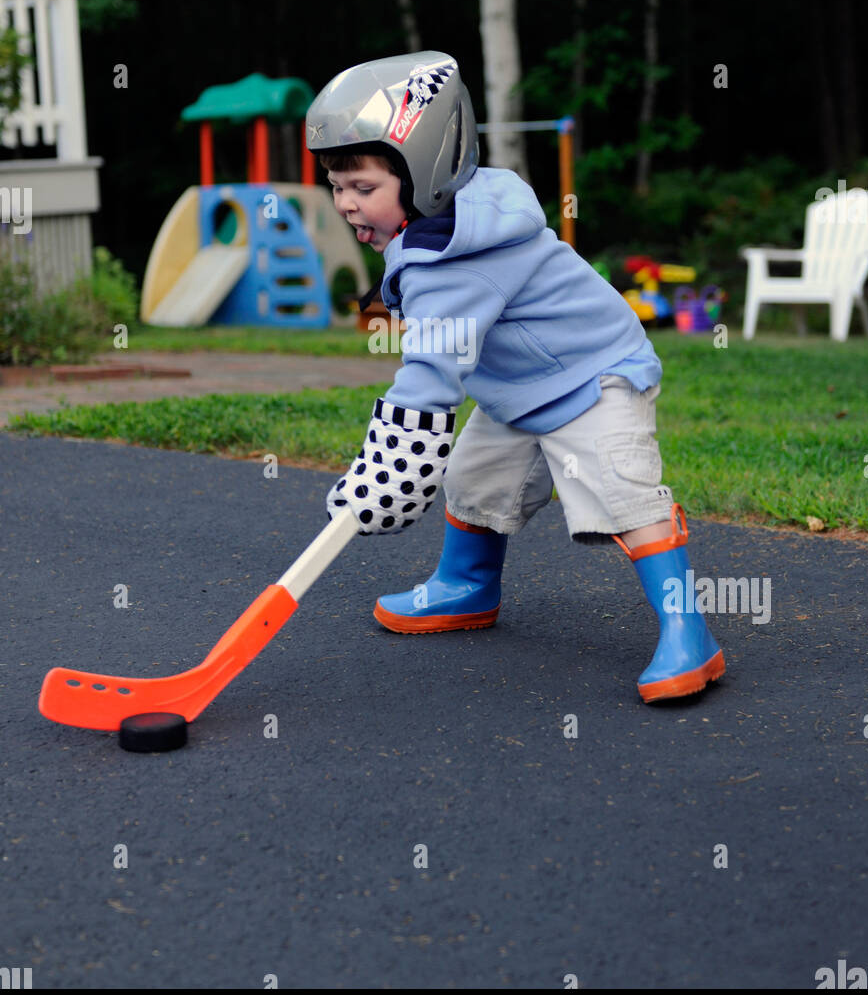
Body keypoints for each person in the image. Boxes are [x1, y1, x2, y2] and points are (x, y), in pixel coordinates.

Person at [306, 51, 724, 703]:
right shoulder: (451, 217)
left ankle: (686, 631)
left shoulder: (454, 257)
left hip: (592, 378)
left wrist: (387, 467)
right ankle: (466, 586)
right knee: (473, 481)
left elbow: (430, 377)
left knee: (625, 495)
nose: (345, 205)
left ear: (421, 174)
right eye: (337, 187)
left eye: (363, 189)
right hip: (517, 388)